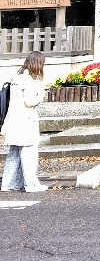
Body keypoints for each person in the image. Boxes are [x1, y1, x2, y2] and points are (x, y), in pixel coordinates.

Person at [1, 52, 47, 192]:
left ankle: (8, 184)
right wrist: (42, 94)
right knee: (29, 155)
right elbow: (29, 101)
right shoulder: (31, 80)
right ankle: (31, 185)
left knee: (13, 155)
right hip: (26, 122)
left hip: (13, 121)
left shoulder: (16, 77)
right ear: (37, 64)